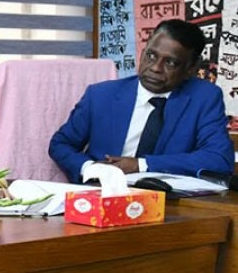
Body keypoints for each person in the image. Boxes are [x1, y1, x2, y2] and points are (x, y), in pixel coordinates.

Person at [49, 19, 234, 183]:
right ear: (143, 52)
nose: (155, 68)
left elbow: (219, 159)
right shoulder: (101, 95)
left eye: (170, 63)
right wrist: (90, 168)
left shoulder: (204, 98)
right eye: (151, 56)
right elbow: (61, 144)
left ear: (190, 69)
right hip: (102, 192)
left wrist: (141, 165)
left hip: (168, 200)